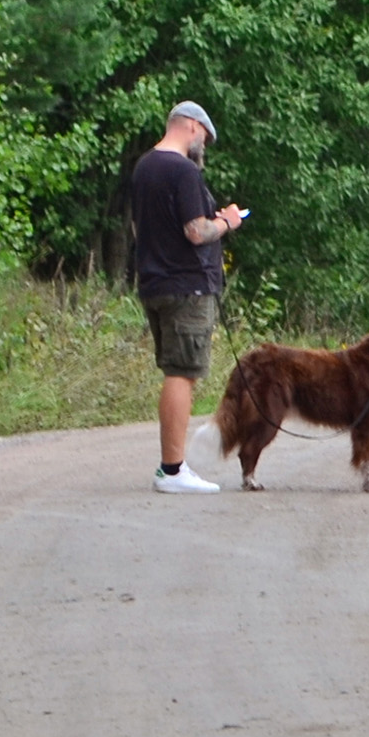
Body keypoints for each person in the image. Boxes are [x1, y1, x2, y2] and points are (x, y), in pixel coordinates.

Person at [132, 100, 243, 494]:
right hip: (187, 286)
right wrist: (227, 222)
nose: (204, 150)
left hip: (154, 281)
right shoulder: (182, 171)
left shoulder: (144, 166)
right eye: (205, 140)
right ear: (193, 127)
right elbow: (196, 231)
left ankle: (172, 467)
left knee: (175, 369)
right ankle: (173, 469)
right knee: (183, 373)